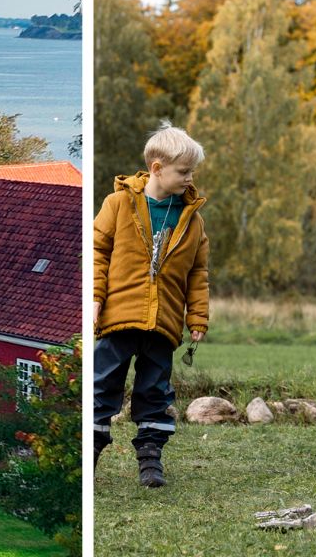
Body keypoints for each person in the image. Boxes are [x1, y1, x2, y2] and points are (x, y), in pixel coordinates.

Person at [93, 121, 209, 487]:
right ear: (158, 168)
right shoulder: (118, 204)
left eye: (192, 172)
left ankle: (150, 460)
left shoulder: (193, 221)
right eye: (184, 171)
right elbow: (97, 252)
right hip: (119, 317)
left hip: (164, 322)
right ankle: (88, 456)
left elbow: (198, 272)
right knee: (101, 385)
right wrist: (94, 297)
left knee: (155, 391)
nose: (190, 179)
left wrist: (199, 317)